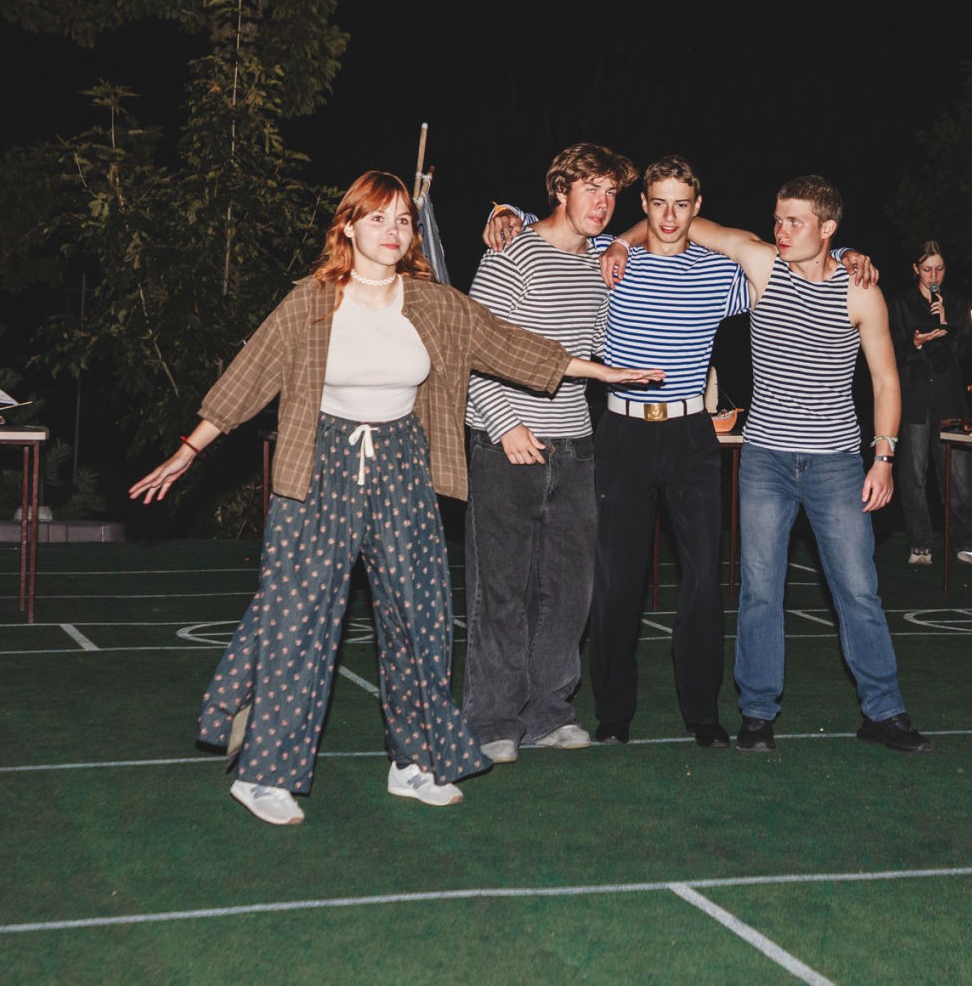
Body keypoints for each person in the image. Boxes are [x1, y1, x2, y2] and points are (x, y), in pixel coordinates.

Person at [129, 171, 663, 826]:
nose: (393, 231)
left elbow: (509, 346)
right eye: (378, 218)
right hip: (321, 463)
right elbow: (248, 379)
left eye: (403, 220)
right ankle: (265, 775)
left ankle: (414, 762)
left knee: (421, 618)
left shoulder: (433, 304)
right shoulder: (310, 302)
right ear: (349, 226)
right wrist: (187, 451)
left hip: (404, 464)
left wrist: (603, 371)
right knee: (299, 618)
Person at [491, 156, 874, 749]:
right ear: (643, 205)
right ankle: (613, 714)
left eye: (681, 204)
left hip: (692, 436)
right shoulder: (607, 259)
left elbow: (799, 262)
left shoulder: (725, 274)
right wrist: (507, 213)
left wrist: (847, 252)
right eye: (658, 203)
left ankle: (702, 714)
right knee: (616, 581)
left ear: (697, 209)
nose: (669, 216)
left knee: (701, 582)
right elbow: (555, 232)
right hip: (621, 435)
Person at [637, 175, 928, 754]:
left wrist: (884, 456)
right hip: (765, 459)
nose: (781, 230)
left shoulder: (859, 292)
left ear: (828, 227)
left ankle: (884, 712)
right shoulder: (763, 266)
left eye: (795, 221)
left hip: (837, 463)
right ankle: (757, 714)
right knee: (760, 592)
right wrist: (622, 243)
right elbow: (685, 221)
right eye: (778, 219)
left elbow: (886, 380)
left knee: (858, 590)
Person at [462, 142, 638, 765]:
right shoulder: (512, 251)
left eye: (611, 192)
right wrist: (504, 422)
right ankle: (491, 721)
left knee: (568, 591)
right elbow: (472, 345)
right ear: (561, 189)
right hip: (506, 441)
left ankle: (548, 713)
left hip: (575, 444)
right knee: (501, 590)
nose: (603, 202)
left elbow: (592, 348)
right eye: (591, 187)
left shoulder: (599, 262)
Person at [887, 241, 972, 568]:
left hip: (950, 401)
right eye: (927, 269)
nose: (934, 276)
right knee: (914, 475)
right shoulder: (900, 304)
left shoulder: (957, 304)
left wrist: (948, 325)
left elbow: (970, 353)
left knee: (958, 474)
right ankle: (920, 545)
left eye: (940, 269)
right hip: (915, 398)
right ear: (916, 269)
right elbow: (890, 352)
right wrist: (916, 343)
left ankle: (967, 542)